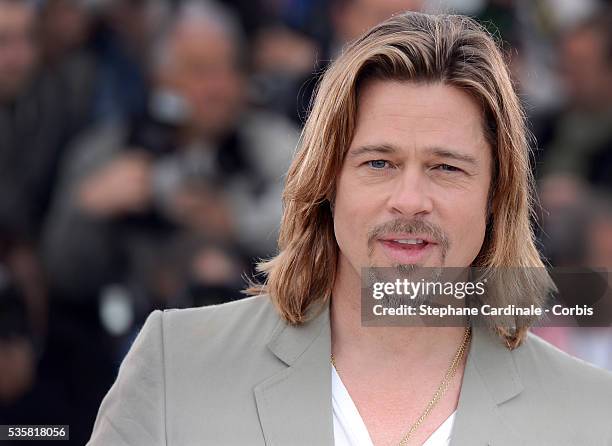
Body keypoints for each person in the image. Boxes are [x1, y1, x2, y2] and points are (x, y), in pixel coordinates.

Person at [87, 12, 612, 446]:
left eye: (446, 167)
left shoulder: (589, 414)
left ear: (497, 196)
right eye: (378, 163)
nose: (410, 200)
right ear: (327, 181)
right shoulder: (178, 365)